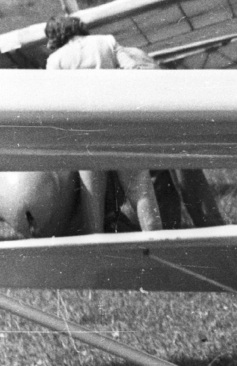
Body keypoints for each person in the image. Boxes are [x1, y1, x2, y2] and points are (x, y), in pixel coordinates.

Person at [43, 15, 165, 233]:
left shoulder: (55, 60)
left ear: (54, 37)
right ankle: (157, 242)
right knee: (141, 192)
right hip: (120, 124)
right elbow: (133, 70)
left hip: (86, 133)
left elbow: (54, 100)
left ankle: (98, 252)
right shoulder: (107, 41)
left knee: (92, 201)